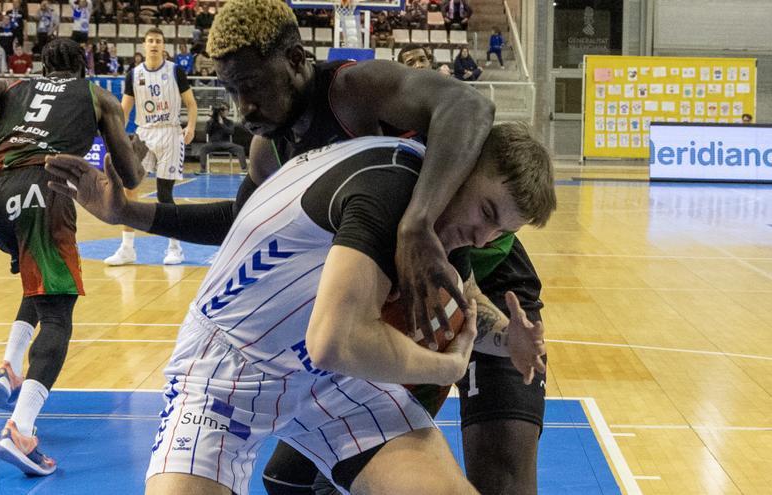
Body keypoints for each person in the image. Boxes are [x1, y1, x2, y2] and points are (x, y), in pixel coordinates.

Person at [45, 120, 553, 495]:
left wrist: (508, 337)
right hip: (228, 369)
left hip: (326, 380)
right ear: (458, 168)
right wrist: (445, 366)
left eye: (501, 231)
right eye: (486, 213)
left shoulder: (437, 218)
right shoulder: (390, 188)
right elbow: (336, 342)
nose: (484, 236)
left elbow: (464, 301)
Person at [201, 3, 549, 494]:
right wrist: (128, 213)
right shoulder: (281, 144)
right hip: (421, 279)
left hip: (488, 287)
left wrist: (417, 225)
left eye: (253, 89)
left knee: (502, 480)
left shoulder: (358, 95)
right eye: (237, 92)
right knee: (292, 479)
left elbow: (470, 108)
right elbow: (240, 225)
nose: (245, 109)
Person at [0, 38, 145, 476]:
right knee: (59, 314)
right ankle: (20, 430)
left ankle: (9, 366)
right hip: (42, 191)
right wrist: (135, 152)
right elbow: (131, 176)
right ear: (84, 69)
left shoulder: (16, 88)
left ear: (44, 67)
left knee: (39, 279)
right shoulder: (99, 97)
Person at [103, 27, 197, 266]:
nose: (154, 44)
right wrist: (117, 137)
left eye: (158, 41)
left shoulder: (175, 71)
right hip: (144, 134)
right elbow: (123, 110)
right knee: (129, 188)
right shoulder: (133, 74)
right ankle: (127, 248)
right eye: (150, 41)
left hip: (170, 132)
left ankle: (175, 247)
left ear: (163, 46)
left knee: (165, 193)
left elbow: (191, 104)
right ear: (144, 45)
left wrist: (191, 127)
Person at [197, 103, 247, 174]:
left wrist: (222, 124)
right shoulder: (211, 121)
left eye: (224, 109)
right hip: (213, 143)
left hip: (226, 144)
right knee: (203, 148)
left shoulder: (230, 122)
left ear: (228, 112)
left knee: (240, 149)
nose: (222, 111)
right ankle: (203, 170)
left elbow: (231, 132)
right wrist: (212, 119)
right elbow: (207, 131)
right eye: (221, 109)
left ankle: (244, 170)